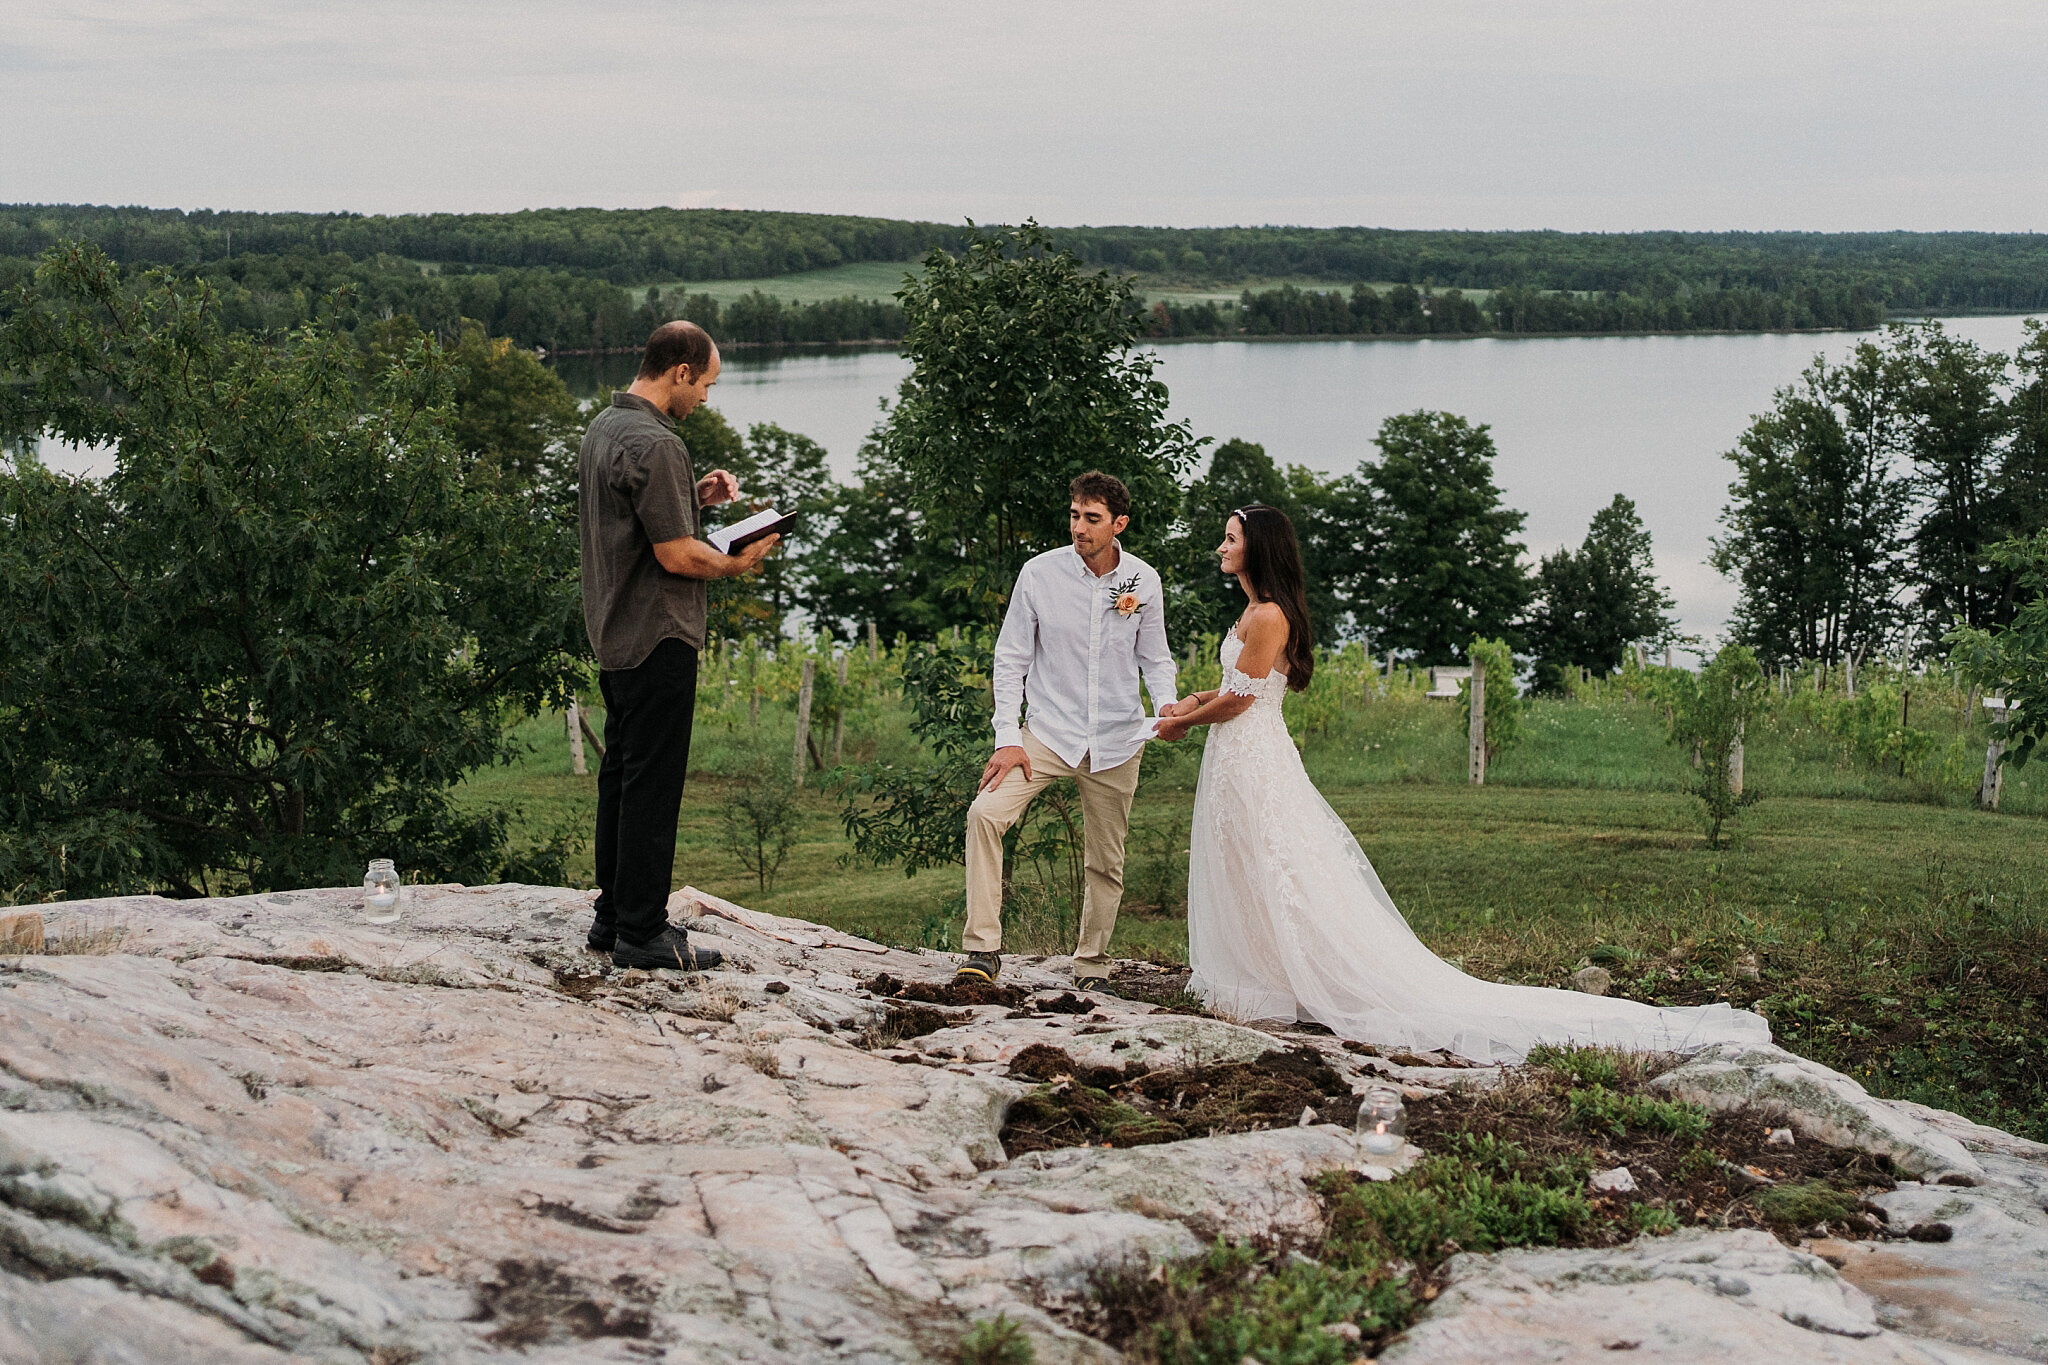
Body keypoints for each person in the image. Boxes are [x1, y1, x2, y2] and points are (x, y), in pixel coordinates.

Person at [1152, 505, 1770, 1063]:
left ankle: (1302, 975)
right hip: (1236, 753)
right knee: (1244, 862)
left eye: (1229, 539)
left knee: (1275, 862)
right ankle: (1263, 974)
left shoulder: (1268, 616)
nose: (1220, 547)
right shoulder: (1249, 612)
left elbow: (1241, 703)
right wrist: (1191, 700)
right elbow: (1241, 692)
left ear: (1257, 548)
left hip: (1254, 756)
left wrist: (1186, 721)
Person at [579, 321, 778, 970]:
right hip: (658, 632)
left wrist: (695, 499)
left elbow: (633, 518)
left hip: (613, 630)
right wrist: (740, 563)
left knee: (622, 775)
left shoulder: (607, 425)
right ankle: (643, 932)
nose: (707, 400)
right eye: (707, 385)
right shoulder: (658, 443)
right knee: (653, 785)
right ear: (681, 371)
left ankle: (612, 918)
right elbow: (675, 554)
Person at [958, 472, 1179, 986]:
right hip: (1047, 735)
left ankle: (1092, 964)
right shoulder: (1038, 574)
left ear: (1118, 524)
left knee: (1106, 859)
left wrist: (1166, 706)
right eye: (1075, 515)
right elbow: (1010, 659)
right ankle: (982, 949)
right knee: (985, 814)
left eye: (1092, 518)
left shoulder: (1144, 582)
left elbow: (1155, 657)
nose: (1079, 527)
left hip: (1118, 739)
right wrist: (1007, 738)